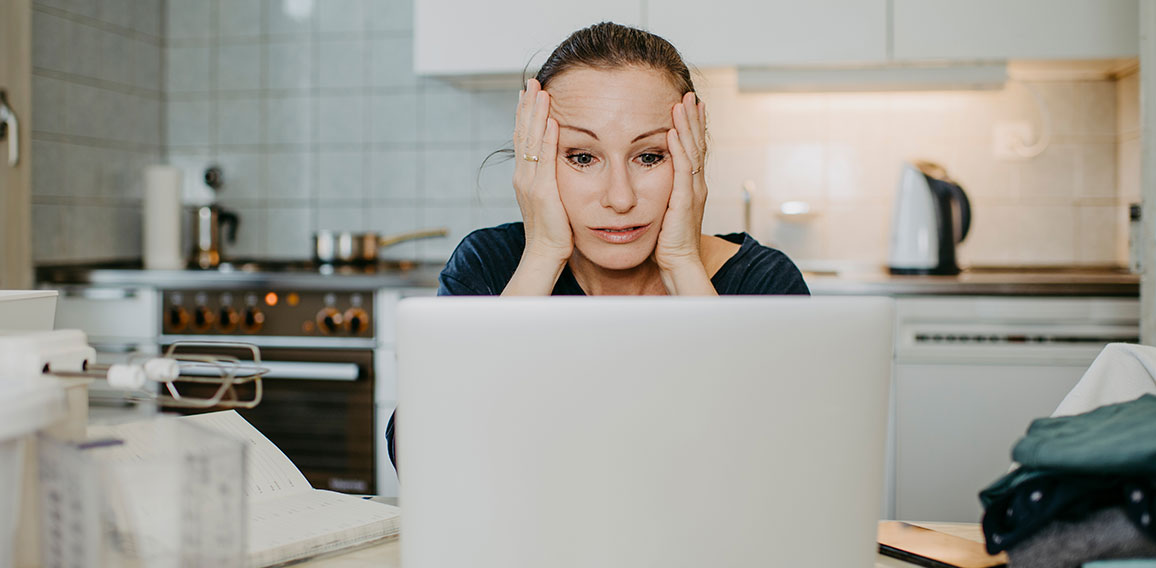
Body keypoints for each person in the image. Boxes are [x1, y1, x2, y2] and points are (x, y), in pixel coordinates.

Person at [438, 22, 809, 297]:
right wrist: (542, 256)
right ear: (534, 158)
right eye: (582, 157)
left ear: (692, 154)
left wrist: (683, 263)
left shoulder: (764, 283)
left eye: (649, 157)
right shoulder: (487, 265)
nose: (620, 199)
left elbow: (753, 404)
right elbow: (441, 406)